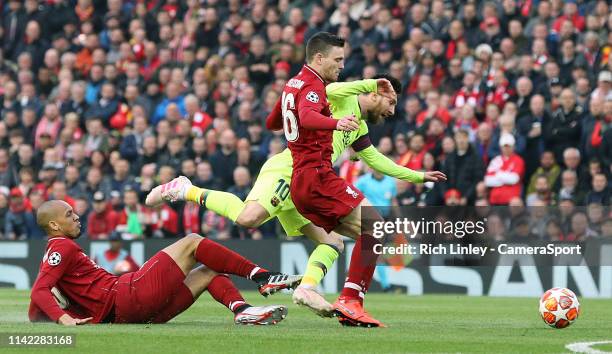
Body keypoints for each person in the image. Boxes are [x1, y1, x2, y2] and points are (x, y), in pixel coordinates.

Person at [147, 73, 444, 326]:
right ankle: (186, 189)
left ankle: (307, 289)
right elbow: (326, 91)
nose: (392, 111)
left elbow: (376, 160)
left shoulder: (360, 128)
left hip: (311, 182)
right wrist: (369, 82)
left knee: (333, 243)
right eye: (390, 101)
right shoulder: (340, 99)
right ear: (376, 93)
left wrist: (417, 176)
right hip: (287, 172)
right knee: (248, 219)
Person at [29, 200, 301, 326]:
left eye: (74, 212)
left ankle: (242, 309)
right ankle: (262, 276)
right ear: (54, 224)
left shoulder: (55, 251)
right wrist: (64, 319)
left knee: (209, 271)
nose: (76, 217)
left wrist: (53, 316)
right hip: (128, 295)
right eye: (68, 214)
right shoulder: (62, 245)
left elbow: (35, 310)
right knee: (193, 241)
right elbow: (40, 290)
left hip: (133, 315)